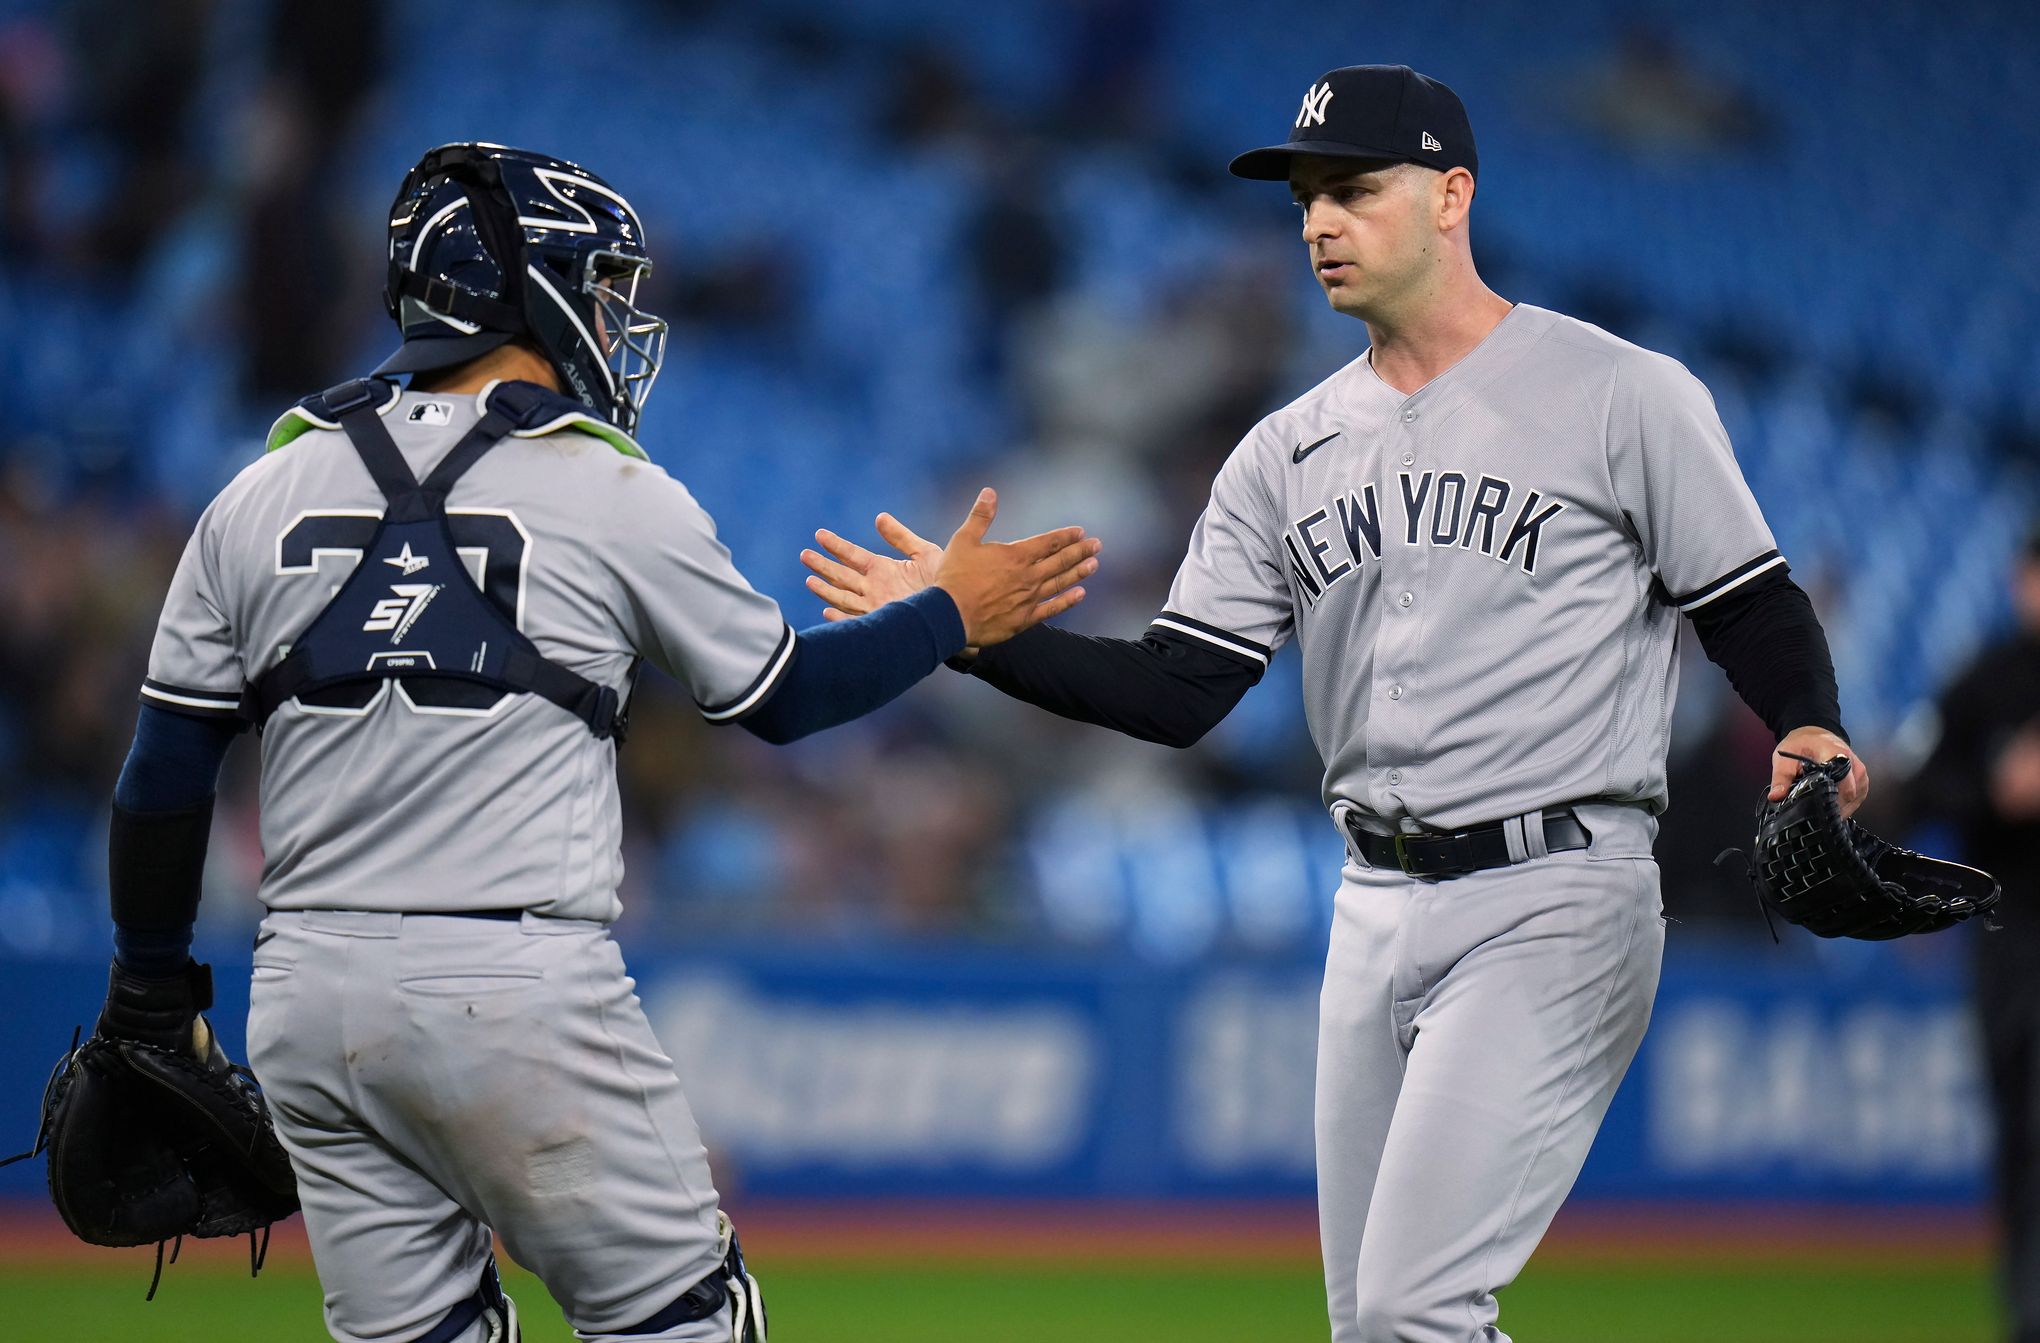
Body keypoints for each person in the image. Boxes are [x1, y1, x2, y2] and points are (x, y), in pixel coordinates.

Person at [801, 65, 1866, 1343]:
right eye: (1306, 196)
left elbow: (1745, 596)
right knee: (1373, 1326)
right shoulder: (1283, 451)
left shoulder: (1618, 392)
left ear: (1452, 196)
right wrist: (961, 631)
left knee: (1421, 1305)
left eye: (1354, 190)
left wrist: (1808, 719)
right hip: (1370, 901)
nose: (1318, 221)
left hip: (1557, 889)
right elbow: (1178, 690)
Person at [98, 141, 1098, 1343]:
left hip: (308, 991)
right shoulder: (604, 487)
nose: (620, 316)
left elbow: (161, 774)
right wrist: (949, 615)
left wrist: (151, 996)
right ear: (525, 288)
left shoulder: (255, 491)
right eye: (604, 283)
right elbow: (780, 695)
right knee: (683, 1318)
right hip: (513, 985)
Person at [1910, 530, 2040, 1343]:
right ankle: (2028, 1302)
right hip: (2013, 932)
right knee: (2022, 1121)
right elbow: (1922, 787)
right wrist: (1997, 786)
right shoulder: (1985, 681)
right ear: (2019, 579)